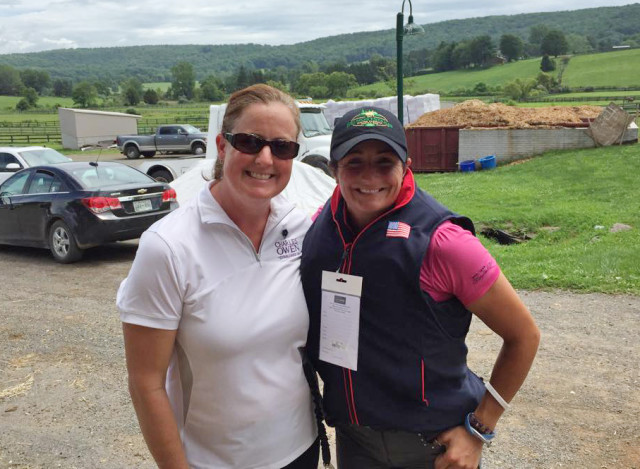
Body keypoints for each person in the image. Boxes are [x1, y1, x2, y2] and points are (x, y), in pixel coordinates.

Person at [301, 107, 541, 469]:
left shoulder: (444, 241)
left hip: (431, 447)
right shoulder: (321, 224)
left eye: (385, 162)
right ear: (333, 168)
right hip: (354, 438)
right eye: (354, 162)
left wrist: (480, 428)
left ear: (406, 165)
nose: (369, 177)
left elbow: (524, 335)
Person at [117, 84, 320, 469]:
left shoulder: (299, 227)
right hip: (217, 461)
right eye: (250, 141)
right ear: (222, 146)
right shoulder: (168, 247)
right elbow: (146, 383)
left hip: (301, 448)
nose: (265, 158)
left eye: (282, 147)